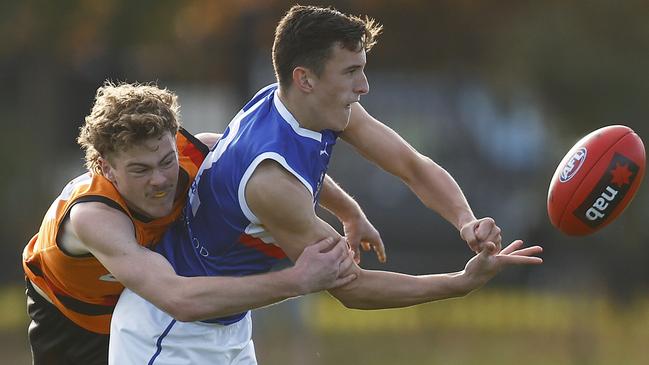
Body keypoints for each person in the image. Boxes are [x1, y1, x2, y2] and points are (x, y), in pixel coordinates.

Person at [109, 5, 543, 365]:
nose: (364, 86)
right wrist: (458, 283)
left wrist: (464, 222)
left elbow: (411, 165)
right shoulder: (271, 183)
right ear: (305, 78)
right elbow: (351, 288)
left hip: (226, 327)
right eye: (351, 71)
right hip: (168, 335)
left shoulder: (293, 102)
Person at [22, 81, 372, 365]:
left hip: (147, 304)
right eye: (140, 170)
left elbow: (274, 170)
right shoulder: (94, 217)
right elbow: (179, 299)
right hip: (73, 318)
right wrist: (298, 280)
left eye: (165, 161)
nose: (160, 180)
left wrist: (348, 210)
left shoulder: (199, 153)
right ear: (104, 167)